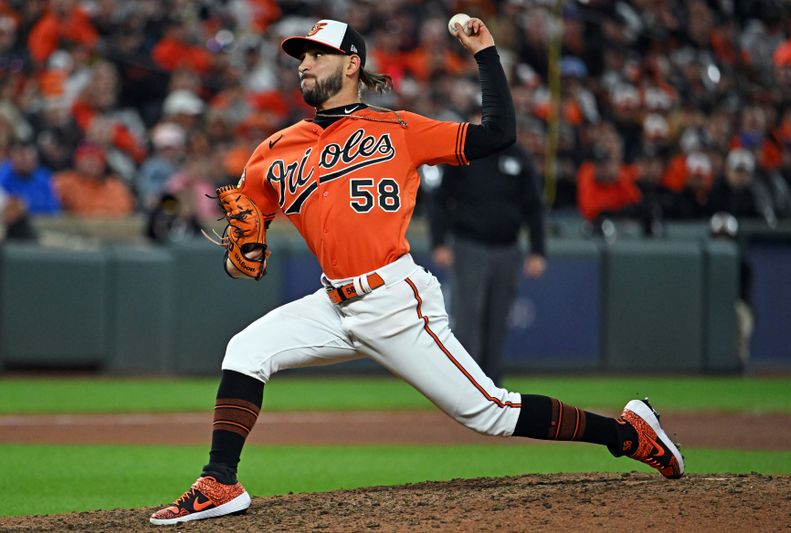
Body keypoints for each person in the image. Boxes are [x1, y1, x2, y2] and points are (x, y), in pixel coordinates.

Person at [150, 17, 684, 526]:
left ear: (352, 64)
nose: (304, 63)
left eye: (317, 54)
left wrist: (486, 55)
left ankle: (627, 433)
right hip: (332, 302)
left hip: (394, 300)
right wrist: (239, 257)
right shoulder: (272, 150)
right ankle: (220, 482)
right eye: (301, 56)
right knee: (245, 350)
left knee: (489, 412)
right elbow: (249, 239)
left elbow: (498, 134)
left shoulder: (400, 128)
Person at [427, 109, 546, 386]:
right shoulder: (463, 155)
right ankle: (466, 386)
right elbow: (439, 200)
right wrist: (439, 241)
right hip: (470, 245)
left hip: (508, 249)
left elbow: (534, 207)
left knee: (497, 321)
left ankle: (492, 386)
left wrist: (538, 250)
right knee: (468, 319)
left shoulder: (517, 156)